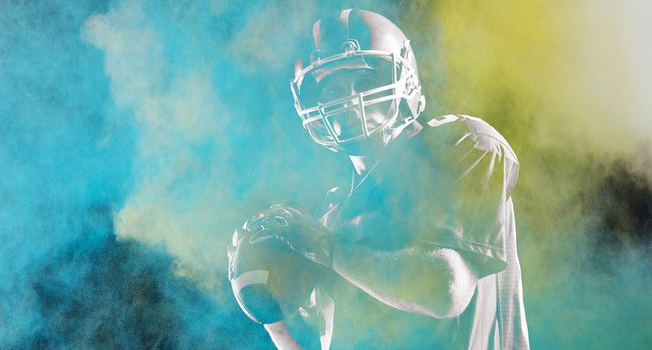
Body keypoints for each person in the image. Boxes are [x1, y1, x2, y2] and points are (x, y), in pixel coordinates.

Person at [226, 9, 530, 349]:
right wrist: (271, 309)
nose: (347, 99)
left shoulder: (461, 143)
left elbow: (444, 291)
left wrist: (326, 248)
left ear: (405, 78)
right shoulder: (332, 210)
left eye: (365, 80)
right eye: (330, 90)